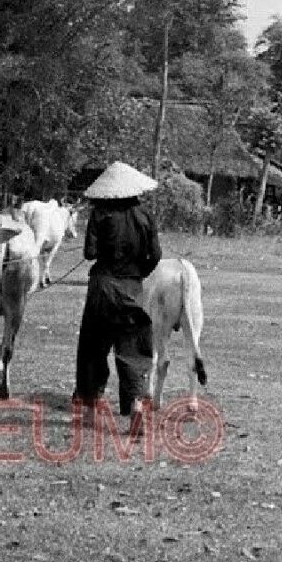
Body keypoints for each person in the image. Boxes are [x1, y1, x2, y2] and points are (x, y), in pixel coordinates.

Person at [74, 161, 162, 419]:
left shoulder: (99, 214)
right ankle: (136, 405)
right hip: (132, 288)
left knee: (93, 346)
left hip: (101, 288)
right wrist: (138, 273)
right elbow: (155, 255)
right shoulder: (146, 217)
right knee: (133, 348)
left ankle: (90, 408)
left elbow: (89, 253)